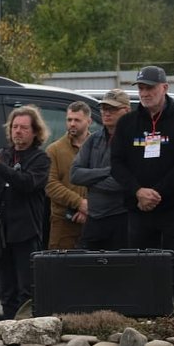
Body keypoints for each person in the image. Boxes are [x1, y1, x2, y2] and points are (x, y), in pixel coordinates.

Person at [111, 65, 174, 316]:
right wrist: (138, 191)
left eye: (150, 88)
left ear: (165, 88)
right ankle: (146, 314)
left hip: (173, 208)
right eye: (142, 88)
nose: (145, 93)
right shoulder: (127, 123)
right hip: (139, 209)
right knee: (141, 266)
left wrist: (157, 193)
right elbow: (117, 164)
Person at [0, 105, 50, 319]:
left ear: (35, 132)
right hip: (0, 232)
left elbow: (26, 183)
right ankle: (8, 331)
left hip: (25, 231)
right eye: (15, 127)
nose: (18, 131)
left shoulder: (40, 159)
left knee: (26, 290)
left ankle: (26, 332)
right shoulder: (2, 154)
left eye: (24, 127)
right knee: (6, 290)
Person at [71, 88, 131, 250]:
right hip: (94, 218)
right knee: (88, 270)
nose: (106, 113)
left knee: (119, 269)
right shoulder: (94, 139)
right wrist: (107, 172)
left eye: (112, 109)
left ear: (126, 110)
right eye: (104, 108)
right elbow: (75, 175)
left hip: (121, 218)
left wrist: (90, 181)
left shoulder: (134, 140)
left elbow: (123, 183)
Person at [45, 101, 91, 250]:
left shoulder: (97, 146)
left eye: (77, 120)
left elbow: (105, 178)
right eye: (69, 119)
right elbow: (50, 185)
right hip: (63, 221)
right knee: (61, 269)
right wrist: (79, 203)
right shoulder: (54, 150)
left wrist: (89, 207)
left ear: (89, 121)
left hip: (94, 219)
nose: (72, 124)